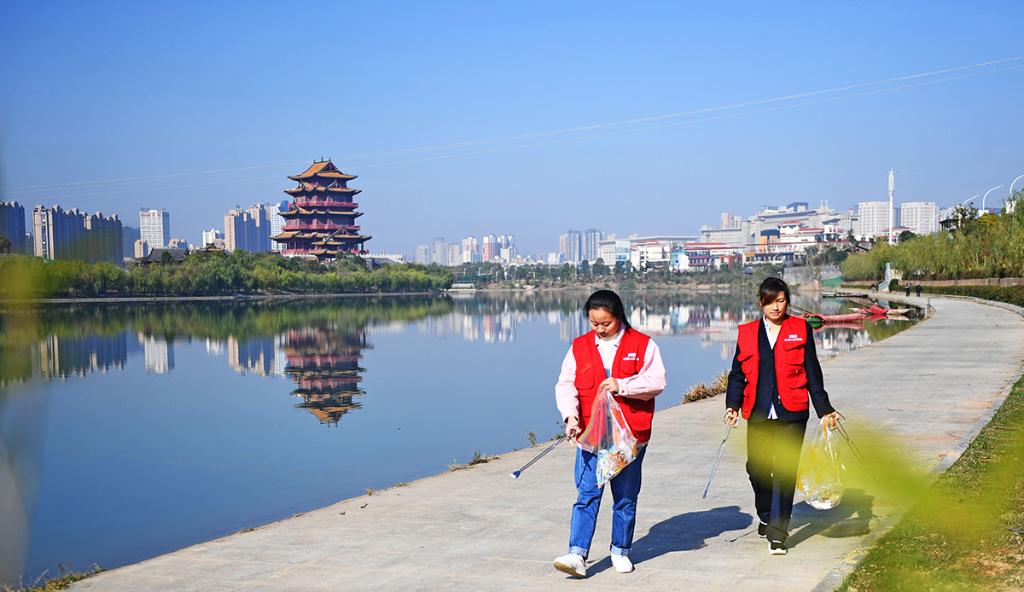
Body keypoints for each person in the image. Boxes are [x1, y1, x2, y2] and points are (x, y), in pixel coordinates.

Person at [552, 290, 667, 577]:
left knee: (625, 497)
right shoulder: (578, 347)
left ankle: (620, 550)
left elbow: (656, 381)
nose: (600, 329)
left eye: (606, 323)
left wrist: (623, 385)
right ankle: (577, 554)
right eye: (594, 323)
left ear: (619, 317)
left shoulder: (643, 345)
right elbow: (566, 385)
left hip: (628, 438)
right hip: (591, 436)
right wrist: (571, 416)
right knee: (587, 494)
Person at [724, 278, 840, 555]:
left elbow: (813, 372)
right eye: (770, 301)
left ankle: (778, 533)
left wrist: (824, 408)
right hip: (759, 412)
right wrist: (733, 405)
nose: (776, 306)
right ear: (761, 302)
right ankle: (765, 513)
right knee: (758, 469)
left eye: (781, 300)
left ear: (787, 301)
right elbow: (738, 374)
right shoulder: (747, 332)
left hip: (793, 411)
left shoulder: (799, 329)